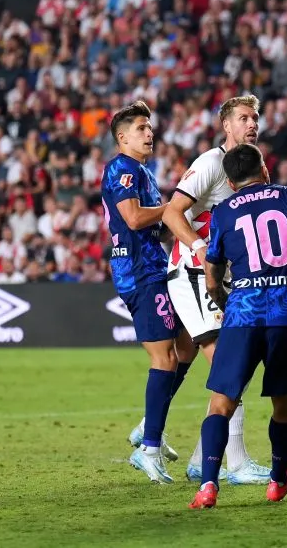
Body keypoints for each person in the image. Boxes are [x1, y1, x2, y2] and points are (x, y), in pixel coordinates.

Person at [126, 96, 271, 484]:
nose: (252, 124)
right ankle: (236, 463)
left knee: (212, 359)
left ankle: (192, 457)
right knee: (230, 365)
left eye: (255, 118)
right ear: (226, 126)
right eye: (243, 118)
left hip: (224, 278)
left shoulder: (256, 167)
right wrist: (198, 246)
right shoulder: (209, 164)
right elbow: (173, 212)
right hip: (192, 274)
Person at [188, 144, 287, 509]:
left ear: (229, 181)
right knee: (283, 404)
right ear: (265, 170)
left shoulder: (223, 211)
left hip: (244, 312)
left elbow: (212, 275)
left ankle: (208, 486)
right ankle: (276, 481)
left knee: (221, 404)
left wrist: (227, 304)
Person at [101, 101, 196, 483]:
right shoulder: (121, 168)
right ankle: (149, 449)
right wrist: (173, 206)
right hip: (138, 271)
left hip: (156, 266)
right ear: (122, 137)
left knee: (188, 342)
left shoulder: (141, 170)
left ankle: (147, 425)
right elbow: (135, 217)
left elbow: (157, 217)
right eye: (141, 128)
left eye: (149, 127)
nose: (149, 133)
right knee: (165, 358)